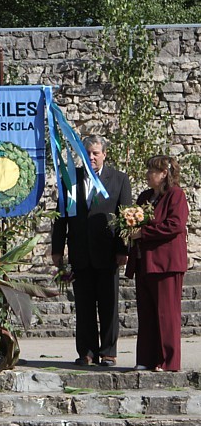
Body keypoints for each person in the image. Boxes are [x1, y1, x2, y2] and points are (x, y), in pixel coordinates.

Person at [51, 134, 132, 367]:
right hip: (80, 252)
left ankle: (108, 352)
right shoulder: (71, 179)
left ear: (104, 154)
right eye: (87, 152)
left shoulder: (119, 179)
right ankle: (87, 352)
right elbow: (61, 217)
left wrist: (123, 248)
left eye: (96, 153)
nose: (92, 157)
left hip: (108, 253)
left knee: (108, 305)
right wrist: (58, 249)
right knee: (84, 307)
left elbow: (125, 217)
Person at [125, 155, 188, 372]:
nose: (147, 175)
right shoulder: (145, 197)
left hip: (166, 264)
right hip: (145, 263)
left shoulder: (176, 195)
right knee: (147, 312)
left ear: (164, 174)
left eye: (152, 171)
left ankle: (168, 361)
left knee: (166, 313)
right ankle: (146, 358)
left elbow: (175, 225)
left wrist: (143, 232)